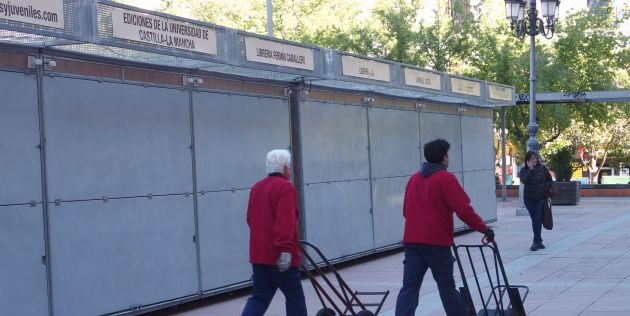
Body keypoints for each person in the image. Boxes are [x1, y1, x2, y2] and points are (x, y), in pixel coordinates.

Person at [395, 139, 494, 316]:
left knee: (409, 288)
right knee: (447, 288)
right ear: (444, 156)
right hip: (436, 243)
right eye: (448, 154)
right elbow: (464, 210)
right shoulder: (446, 178)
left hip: (412, 242)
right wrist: (484, 229)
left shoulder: (414, 178)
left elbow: (405, 211)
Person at [241, 149, 307, 316]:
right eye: (290, 167)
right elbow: (286, 221)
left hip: (259, 256)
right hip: (280, 256)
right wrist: (285, 248)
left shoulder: (257, 187)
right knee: (295, 298)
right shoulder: (286, 188)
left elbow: (250, 219)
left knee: (259, 298)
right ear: (285, 168)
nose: (290, 171)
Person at [519, 150, 553, 251]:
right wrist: (530, 170)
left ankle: (535, 242)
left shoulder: (542, 168)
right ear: (528, 160)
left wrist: (544, 187)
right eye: (532, 158)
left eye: (535, 158)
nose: (534, 160)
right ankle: (539, 241)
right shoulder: (524, 170)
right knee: (535, 220)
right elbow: (524, 181)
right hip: (529, 199)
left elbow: (549, 180)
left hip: (540, 198)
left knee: (537, 219)